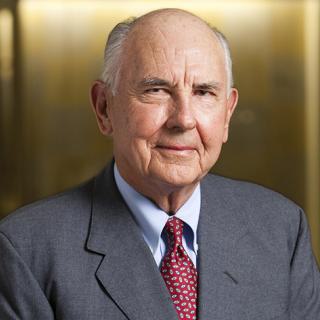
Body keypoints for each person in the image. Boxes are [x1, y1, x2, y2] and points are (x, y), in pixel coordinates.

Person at [0, 8, 319, 320]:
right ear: (104, 108)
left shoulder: (282, 230)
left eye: (204, 92)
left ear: (227, 115)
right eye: (156, 90)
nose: (183, 119)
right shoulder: (27, 250)